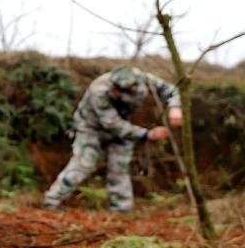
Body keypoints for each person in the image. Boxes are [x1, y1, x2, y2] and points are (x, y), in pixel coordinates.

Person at [45, 65, 182, 212]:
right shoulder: (99, 90)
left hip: (122, 128)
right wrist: (147, 134)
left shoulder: (143, 79)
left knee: (119, 167)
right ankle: (52, 201)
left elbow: (171, 90)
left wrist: (175, 108)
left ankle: (120, 210)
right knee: (83, 164)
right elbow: (113, 125)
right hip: (91, 128)